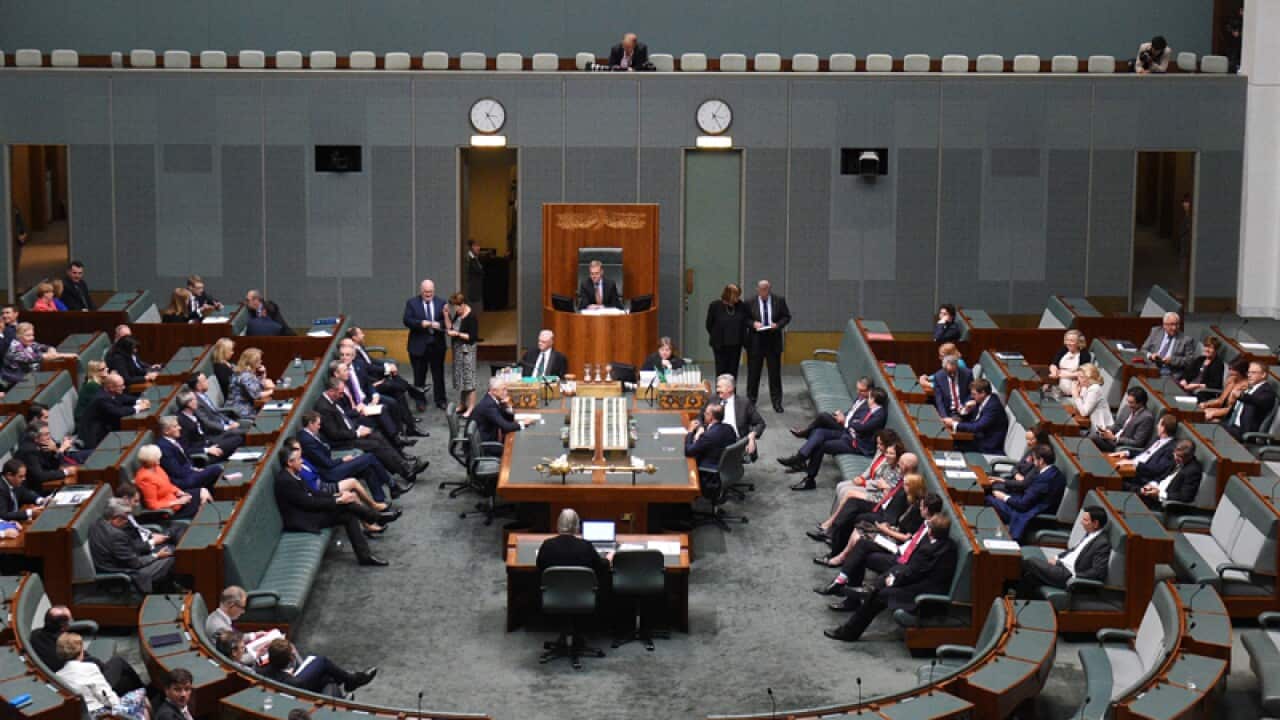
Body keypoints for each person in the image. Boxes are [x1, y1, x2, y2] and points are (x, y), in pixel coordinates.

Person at [824, 514, 957, 641]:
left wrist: (894, 580)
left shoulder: (929, 549)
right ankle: (861, 601)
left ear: (931, 531)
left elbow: (915, 573)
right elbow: (915, 570)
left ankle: (849, 631)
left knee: (881, 595)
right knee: (880, 587)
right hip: (920, 583)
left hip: (924, 595)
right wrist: (895, 577)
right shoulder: (947, 545)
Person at [274, 445, 392, 566]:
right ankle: (376, 518)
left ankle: (365, 555)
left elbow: (314, 493)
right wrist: (338, 501)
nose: (302, 461)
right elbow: (308, 503)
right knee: (346, 506)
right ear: (289, 462)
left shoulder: (295, 473)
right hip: (304, 519)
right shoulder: (285, 481)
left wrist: (336, 495)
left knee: (349, 515)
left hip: (309, 511)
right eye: (299, 459)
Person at [817, 487, 938, 601]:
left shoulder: (932, 530)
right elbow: (911, 537)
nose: (920, 508)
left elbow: (909, 541)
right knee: (862, 544)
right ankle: (840, 581)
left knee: (861, 554)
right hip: (899, 547)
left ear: (926, 509)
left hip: (902, 556)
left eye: (922, 507)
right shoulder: (924, 521)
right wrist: (891, 529)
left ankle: (847, 593)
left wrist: (886, 531)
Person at [313, 378, 427, 484]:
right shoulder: (323, 408)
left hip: (350, 431)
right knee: (374, 445)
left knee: (377, 435)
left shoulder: (333, 399)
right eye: (340, 393)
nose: (342, 396)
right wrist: (357, 433)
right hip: (342, 442)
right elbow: (334, 434)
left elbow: (344, 419)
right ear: (331, 391)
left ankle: (405, 466)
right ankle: (406, 472)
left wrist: (359, 428)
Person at [786, 387, 887, 491]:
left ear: (873, 399)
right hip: (849, 434)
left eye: (869, 397)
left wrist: (847, 421)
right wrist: (850, 422)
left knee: (821, 445)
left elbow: (862, 427)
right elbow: (857, 423)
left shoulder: (879, 415)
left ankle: (809, 478)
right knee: (819, 432)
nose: (867, 399)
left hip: (858, 444)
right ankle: (801, 457)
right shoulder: (872, 409)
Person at [30, 606, 144, 691]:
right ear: (63, 626)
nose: (72, 621)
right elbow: (88, 665)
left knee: (125, 677)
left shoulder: (35, 635)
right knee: (119, 663)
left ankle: (142, 690)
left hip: (70, 681)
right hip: (89, 684)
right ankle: (145, 691)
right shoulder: (66, 644)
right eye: (70, 620)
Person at [298, 409, 403, 501]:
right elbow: (327, 463)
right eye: (318, 424)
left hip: (331, 464)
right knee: (369, 457)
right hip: (329, 473)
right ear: (310, 424)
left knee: (367, 468)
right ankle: (392, 485)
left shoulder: (310, 435)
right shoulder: (307, 440)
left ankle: (381, 501)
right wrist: (343, 459)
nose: (320, 427)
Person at [285, 436, 396, 518]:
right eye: (296, 450)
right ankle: (375, 507)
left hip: (323, 484)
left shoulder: (303, 460)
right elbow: (311, 489)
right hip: (322, 489)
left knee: (366, 470)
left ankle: (375, 511)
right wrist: (334, 496)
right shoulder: (296, 469)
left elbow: (316, 472)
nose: (300, 451)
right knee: (355, 481)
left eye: (299, 448)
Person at [88, 497, 177, 593]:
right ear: (116, 519)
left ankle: (168, 590)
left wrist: (150, 543)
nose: (127, 522)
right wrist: (156, 555)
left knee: (169, 549)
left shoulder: (97, 523)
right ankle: (168, 593)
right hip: (127, 573)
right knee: (172, 557)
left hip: (120, 562)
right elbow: (135, 564)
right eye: (125, 519)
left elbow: (127, 549)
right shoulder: (116, 535)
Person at [1019, 506, 1112, 596]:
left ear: (1095, 523)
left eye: (1085, 520)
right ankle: (1018, 598)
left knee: (1030, 562)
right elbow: (1074, 550)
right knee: (1030, 576)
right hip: (1060, 565)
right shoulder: (1090, 533)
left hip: (1067, 574)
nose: (1081, 522)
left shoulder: (1102, 543)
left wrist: (1075, 576)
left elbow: (1098, 572)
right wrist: (1057, 557)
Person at [55, 633, 148, 720]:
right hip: (102, 714)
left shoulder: (57, 676)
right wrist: (119, 705)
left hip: (82, 716)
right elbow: (106, 697)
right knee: (142, 694)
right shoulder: (89, 667)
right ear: (81, 651)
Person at [985, 445, 1064, 541]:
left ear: (1041, 460)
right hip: (1028, 501)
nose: (1033, 462)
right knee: (994, 492)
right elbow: (1026, 486)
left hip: (1030, 512)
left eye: (1034, 459)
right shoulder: (1053, 471)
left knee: (989, 499)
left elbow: (1023, 505)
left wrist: (1004, 497)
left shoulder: (1044, 479)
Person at [346, 326, 427, 412]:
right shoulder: (353, 354)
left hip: (375, 373)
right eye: (361, 333)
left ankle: (412, 397)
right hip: (371, 380)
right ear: (354, 338)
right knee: (394, 385)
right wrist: (386, 369)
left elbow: (371, 360)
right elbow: (368, 369)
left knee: (396, 383)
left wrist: (387, 365)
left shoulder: (359, 347)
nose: (363, 335)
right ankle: (414, 391)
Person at [261, 636, 376, 694]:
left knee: (326, 677)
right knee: (322, 662)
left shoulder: (259, 670)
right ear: (291, 659)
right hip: (295, 685)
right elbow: (293, 680)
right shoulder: (294, 682)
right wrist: (294, 655)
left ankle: (349, 681)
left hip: (285, 677)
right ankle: (351, 680)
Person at [536, 508, 612, 595]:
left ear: (558, 525)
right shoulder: (586, 546)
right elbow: (601, 567)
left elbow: (539, 566)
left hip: (553, 596)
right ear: (577, 526)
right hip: (583, 597)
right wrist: (608, 559)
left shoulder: (547, 545)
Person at [402, 279, 451, 409]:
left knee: (438, 374)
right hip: (418, 346)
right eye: (426, 292)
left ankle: (440, 400)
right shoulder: (412, 303)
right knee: (419, 375)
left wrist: (439, 324)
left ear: (434, 290)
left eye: (430, 292)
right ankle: (420, 400)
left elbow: (447, 322)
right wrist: (421, 323)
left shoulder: (441, 302)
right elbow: (407, 320)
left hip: (437, 345)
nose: (428, 294)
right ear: (421, 291)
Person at [746, 280, 791, 412]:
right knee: (753, 374)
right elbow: (745, 319)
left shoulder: (779, 300)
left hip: (773, 341)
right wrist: (753, 324)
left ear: (769, 289)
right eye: (761, 289)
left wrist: (778, 325)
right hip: (756, 342)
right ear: (757, 289)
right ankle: (751, 402)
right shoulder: (750, 302)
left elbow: (786, 317)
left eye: (766, 289)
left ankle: (777, 402)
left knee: (774, 374)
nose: (763, 292)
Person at [135, 443, 210, 521]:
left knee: (204, 492)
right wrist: (178, 502)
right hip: (169, 510)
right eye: (157, 458)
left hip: (176, 498)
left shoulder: (156, 467)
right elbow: (153, 505)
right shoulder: (145, 478)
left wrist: (179, 492)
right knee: (203, 507)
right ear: (150, 460)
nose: (159, 459)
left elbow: (168, 484)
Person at [80, 373, 150, 450]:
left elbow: (123, 397)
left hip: (106, 426)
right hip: (95, 435)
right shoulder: (102, 399)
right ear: (111, 387)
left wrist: (139, 401)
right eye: (121, 386)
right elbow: (119, 412)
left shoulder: (109, 391)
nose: (124, 387)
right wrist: (139, 407)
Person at [790, 377, 873, 441]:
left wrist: (844, 420)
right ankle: (807, 435)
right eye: (857, 389)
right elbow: (852, 412)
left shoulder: (869, 405)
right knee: (820, 426)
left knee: (823, 417)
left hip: (848, 430)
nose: (858, 392)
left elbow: (859, 425)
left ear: (870, 391)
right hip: (844, 421)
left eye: (861, 390)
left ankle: (806, 433)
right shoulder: (861, 397)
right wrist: (842, 415)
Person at [705, 374, 766, 459]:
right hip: (714, 439)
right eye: (717, 387)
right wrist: (700, 428)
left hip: (736, 443)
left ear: (730, 388)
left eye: (720, 387)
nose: (717, 390)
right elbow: (700, 417)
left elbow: (760, 423)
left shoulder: (744, 403)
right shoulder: (713, 399)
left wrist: (752, 435)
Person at [157, 416, 223, 492]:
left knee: (216, 471)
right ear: (166, 431)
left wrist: (194, 468)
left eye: (178, 425)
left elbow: (186, 456)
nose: (180, 428)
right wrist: (192, 470)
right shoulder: (163, 447)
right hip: (183, 480)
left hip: (190, 473)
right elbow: (176, 472)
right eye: (175, 426)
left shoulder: (175, 439)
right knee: (217, 468)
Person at [942, 379, 1008, 454]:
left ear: (983, 393)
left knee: (951, 446)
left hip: (987, 446)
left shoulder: (993, 407)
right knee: (950, 443)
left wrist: (954, 424)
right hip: (977, 438)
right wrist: (966, 410)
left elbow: (977, 426)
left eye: (974, 394)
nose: (972, 397)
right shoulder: (984, 399)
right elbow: (973, 419)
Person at [1113, 414, 1178, 489]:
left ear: (1163, 428)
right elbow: (1145, 452)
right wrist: (1127, 453)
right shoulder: (1157, 439)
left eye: (1159, 424)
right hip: (1132, 465)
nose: (1157, 426)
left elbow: (1156, 469)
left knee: (1112, 479)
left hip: (1140, 477)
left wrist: (1135, 463)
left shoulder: (1170, 449)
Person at [2, 322, 74, 387]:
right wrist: (63, 355)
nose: (31, 338)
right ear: (18, 336)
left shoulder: (28, 343)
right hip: (16, 384)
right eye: (28, 335)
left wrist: (51, 350)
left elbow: (44, 347)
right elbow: (38, 357)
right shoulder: (15, 348)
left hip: (30, 379)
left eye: (32, 335)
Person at [175, 389, 244, 457]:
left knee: (236, 434)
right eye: (195, 399)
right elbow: (185, 448)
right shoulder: (181, 421)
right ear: (188, 403)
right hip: (203, 448)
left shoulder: (194, 414)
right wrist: (207, 450)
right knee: (237, 439)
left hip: (208, 440)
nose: (197, 402)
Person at [1137, 440, 1202, 509]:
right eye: (1176, 454)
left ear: (1190, 456)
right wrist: (1152, 485)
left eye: (1180, 457)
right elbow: (1162, 476)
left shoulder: (1193, 471)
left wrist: (1160, 494)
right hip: (1154, 492)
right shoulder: (1176, 459)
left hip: (1163, 504)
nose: (1176, 458)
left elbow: (1185, 496)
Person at [1222, 361, 1277, 441]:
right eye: (1248, 372)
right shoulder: (1251, 387)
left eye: (1253, 373)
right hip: (1232, 425)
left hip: (1244, 432)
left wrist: (1241, 395)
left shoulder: (1267, 391)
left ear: (1263, 375)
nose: (1249, 375)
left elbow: (1256, 400)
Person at [16, 421, 78, 492]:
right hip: (33, 490)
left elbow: (53, 466)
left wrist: (54, 450)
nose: (49, 438)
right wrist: (65, 472)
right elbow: (40, 476)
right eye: (46, 435)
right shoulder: (29, 451)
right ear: (36, 438)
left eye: (49, 434)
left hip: (44, 484)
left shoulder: (42, 445)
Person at [114, 482, 179, 548]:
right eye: (135, 501)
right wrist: (153, 541)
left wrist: (151, 535)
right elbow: (132, 547)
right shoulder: (120, 520)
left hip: (147, 538)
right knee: (176, 546)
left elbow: (137, 528)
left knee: (177, 528)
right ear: (125, 499)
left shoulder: (126, 512)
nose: (137, 505)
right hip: (146, 547)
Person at [706, 283, 749, 380]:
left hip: (736, 344)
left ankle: (732, 389)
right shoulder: (715, 306)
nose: (738, 297)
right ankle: (720, 389)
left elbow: (744, 324)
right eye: (736, 295)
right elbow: (709, 324)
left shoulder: (741, 306)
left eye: (739, 295)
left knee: (733, 371)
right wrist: (716, 335)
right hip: (720, 344)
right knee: (721, 370)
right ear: (729, 295)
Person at [1093, 386, 1155, 452]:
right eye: (1128, 401)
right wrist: (1107, 431)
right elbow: (1117, 426)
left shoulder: (1147, 418)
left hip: (1121, 446)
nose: (1128, 405)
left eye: (1131, 402)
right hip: (1112, 439)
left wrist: (1115, 438)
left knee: (1093, 438)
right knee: (1095, 435)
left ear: (1141, 403)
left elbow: (1137, 442)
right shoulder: (1127, 408)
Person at [446, 292, 479, 414]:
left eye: (457, 308)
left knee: (469, 380)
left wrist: (458, 334)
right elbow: (451, 327)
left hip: (468, 351)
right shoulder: (458, 314)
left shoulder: (471, 316)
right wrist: (446, 314)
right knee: (461, 379)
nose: (456, 311)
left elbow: (472, 337)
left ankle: (471, 407)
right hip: (458, 351)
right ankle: (462, 404)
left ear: (463, 304)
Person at [1140, 312, 1196, 377]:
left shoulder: (1186, 340)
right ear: (1164, 325)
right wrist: (1150, 355)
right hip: (1152, 366)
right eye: (1171, 324)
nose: (1174, 328)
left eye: (1177, 324)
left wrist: (1172, 360)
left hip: (1170, 370)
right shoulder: (1156, 332)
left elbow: (1190, 361)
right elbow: (1143, 349)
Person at [472, 377, 524, 446]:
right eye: (503, 390)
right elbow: (506, 426)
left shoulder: (493, 399)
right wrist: (524, 423)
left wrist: (508, 406)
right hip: (483, 446)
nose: (506, 392)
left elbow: (507, 419)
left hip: (488, 440)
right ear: (494, 391)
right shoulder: (489, 405)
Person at [685, 404, 737, 472]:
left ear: (711, 417)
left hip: (710, 466)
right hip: (726, 464)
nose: (704, 414)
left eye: (706, 413)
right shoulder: (729, 428)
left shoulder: (708, 436)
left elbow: (689, 451)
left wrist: (690, 431)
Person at [226, 347, 273, 419]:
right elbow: (256, 395)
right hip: (241, 409)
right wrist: (273, 391)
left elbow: (258, 385)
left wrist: (263, 373)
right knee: (268, 415)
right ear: (253, 362)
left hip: (247, 405)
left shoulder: (247, 372)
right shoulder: (245, 375)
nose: (261, 361)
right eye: (259, 360)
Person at [1048, 330, 1092, 396]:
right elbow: (1053, 364)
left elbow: (1083, 373)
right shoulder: (1064, 349)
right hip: (1058, 384)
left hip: (1074, 388)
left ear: (1079, 342)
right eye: (1067, 340)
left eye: (1072, 341)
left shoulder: (1085, 355)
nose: (1068, 343)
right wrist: (1054, 372)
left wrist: (1063, 375)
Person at [1071, 364, 1114, 430]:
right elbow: (1077, 407)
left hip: (1102, 427)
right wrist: (1078, 394)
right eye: (1078, 376)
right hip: (1090, 422)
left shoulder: (1095, 389)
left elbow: (1084, 412)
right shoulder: (1085, 387)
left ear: (1089, 378)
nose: (1078, 379)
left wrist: (1076, 395)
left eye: (1081, 377)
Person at [931, 352, 972, 418]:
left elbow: (972, 392)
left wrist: (965, 405)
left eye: (954, 372)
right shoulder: (938, 377)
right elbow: (939, 400)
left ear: (957, 367)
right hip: (950, 411)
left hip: (966, 408)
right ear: (944, 369)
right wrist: (945, 416)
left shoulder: (967, 374)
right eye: (950, 372)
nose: (952, 374)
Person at [74, 360, 109, 429]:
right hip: (85, 423)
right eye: (102, 369)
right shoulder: (92, 386)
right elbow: (106, 402)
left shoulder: (99, 383)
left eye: (106, 368)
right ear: (94, 372)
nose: (106, 370)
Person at [464, 239, 485, 309]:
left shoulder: (474, 258)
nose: (479, 248)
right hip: (472, 292)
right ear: (472, 246)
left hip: (475, 291)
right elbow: (478, 270)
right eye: (477, 246)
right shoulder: (470, 258)